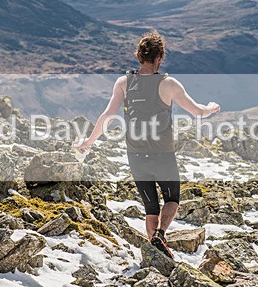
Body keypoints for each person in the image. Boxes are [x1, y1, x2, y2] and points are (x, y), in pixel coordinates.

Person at [77, 31, 220, 258]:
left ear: (138, 56)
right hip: (162, 154)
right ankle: (160, 235)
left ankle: (154, 254)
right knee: (171, 199)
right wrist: (211, 108)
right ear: (160, 58)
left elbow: (107, 116)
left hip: (135, 155)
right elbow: (197, 112)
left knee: (151, 208)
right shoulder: (168, 84)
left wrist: (88, 142)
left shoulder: (123, 83)